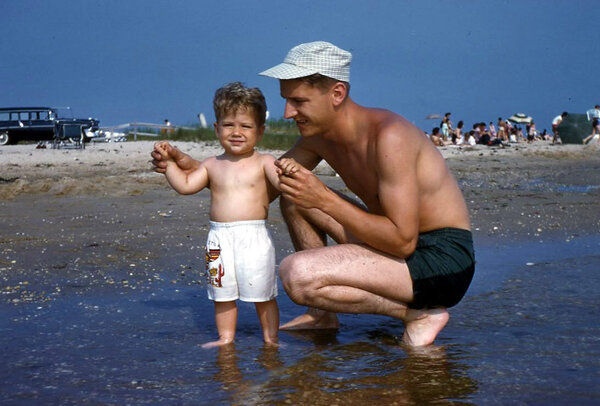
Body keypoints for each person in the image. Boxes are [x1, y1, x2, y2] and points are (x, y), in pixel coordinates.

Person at [153, 41, 475, 347]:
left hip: (442, 261)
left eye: (298, 101)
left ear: (336, 93)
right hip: (397, 248)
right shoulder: (316, 138)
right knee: (294, 190)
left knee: (298, 274)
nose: (287, 113)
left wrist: (322, 197)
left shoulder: (390, 137)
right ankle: (323, 315)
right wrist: (187, 165)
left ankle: (417, 314)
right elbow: (252, 186)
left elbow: (403, 240)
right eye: (286, 100)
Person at [153, 82, 287, 348]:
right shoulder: (212, 164)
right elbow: (187, 185)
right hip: (219, 238)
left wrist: (289, 169)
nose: (237, 132)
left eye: (246, 126)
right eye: (229, 125)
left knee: (263, 293)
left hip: (254, 236)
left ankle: (270, 340)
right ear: (217, 129)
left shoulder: (265, 162)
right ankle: (226, 338)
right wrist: (168, 165)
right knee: (222, 294)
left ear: (260, 132)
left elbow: (283, 184)